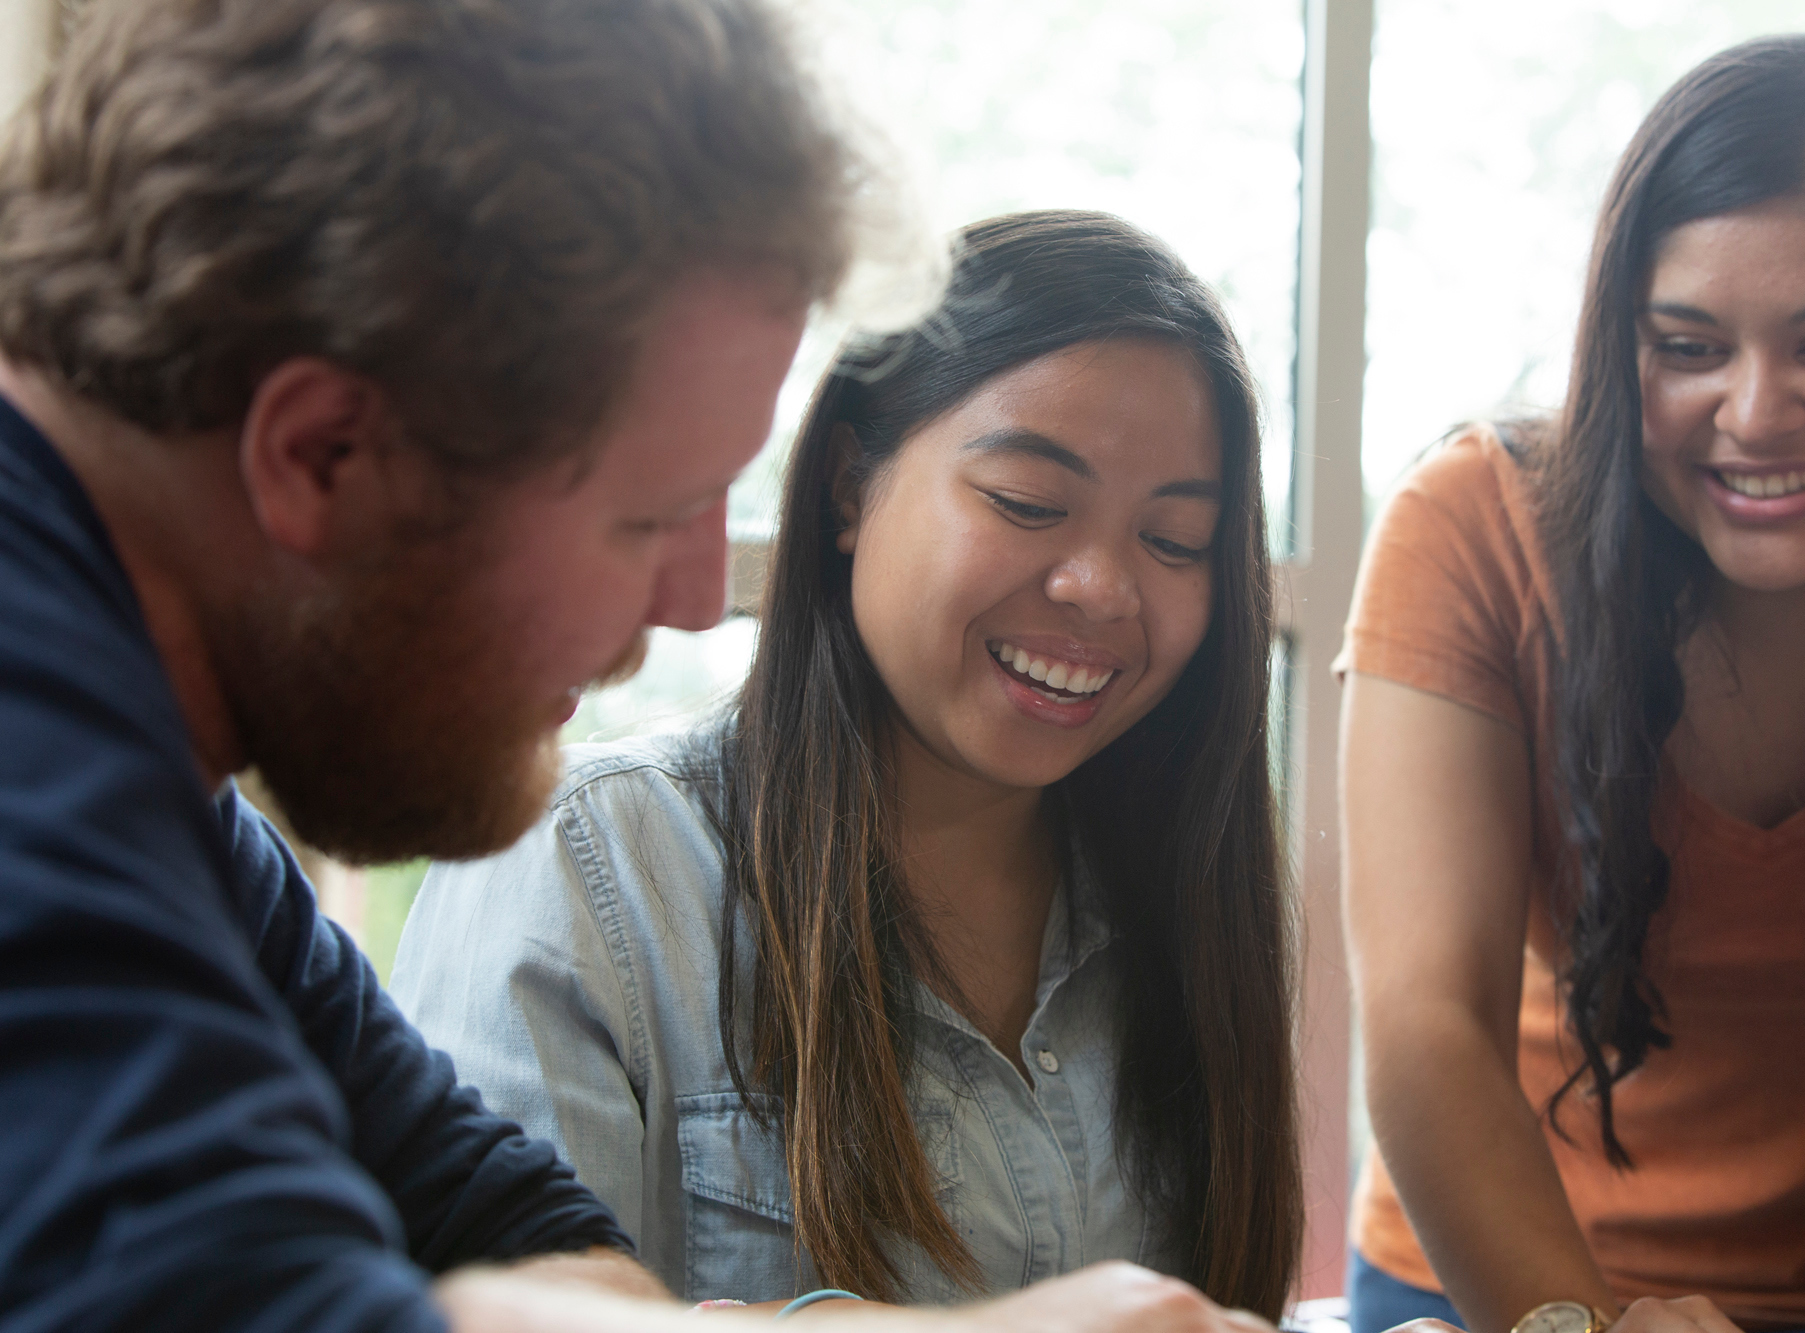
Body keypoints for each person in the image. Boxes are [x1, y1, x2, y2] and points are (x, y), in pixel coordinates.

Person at [0, 2, 1276, 1331]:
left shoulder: (175, 806)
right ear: (325, 455)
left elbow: (492, 1219)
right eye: (648, 516)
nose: (685, 601)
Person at [391, 210, 1305, 1320]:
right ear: (843, 485)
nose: (1101, 589)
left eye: (1173, 542)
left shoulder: (1183, 900)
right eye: (1027, 503)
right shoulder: (591, 867)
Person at [1339, 33, 1805, 1333]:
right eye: (1687, 345)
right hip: (1499, 1279)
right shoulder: (1473, 527)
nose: (1752, 413)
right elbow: (1427, 1026)